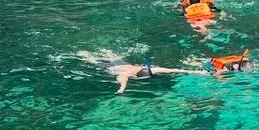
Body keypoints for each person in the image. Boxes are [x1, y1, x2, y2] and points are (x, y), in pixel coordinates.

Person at [77, 50, 213, 94]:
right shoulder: (130, 72)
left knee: (109, 57)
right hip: (113, 68)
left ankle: (93, 54)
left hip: (120, 65)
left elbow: (175, 69)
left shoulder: (150, 70)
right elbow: (122, 78)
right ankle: (85, 55)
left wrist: (198, 73)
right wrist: (122, 88)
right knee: (93, 61)